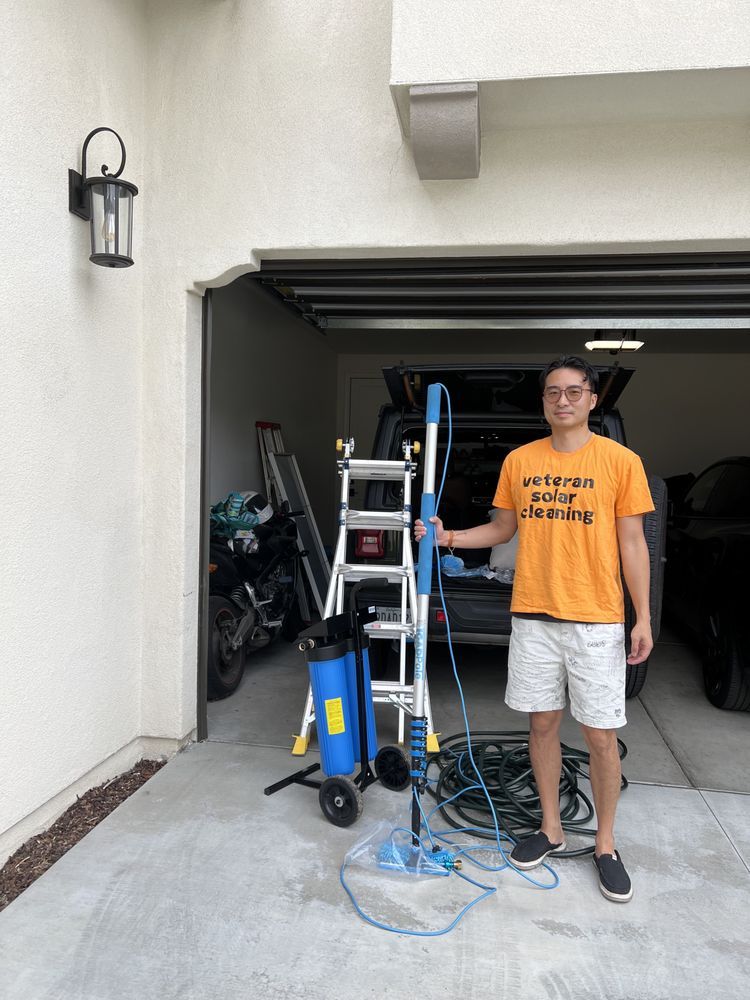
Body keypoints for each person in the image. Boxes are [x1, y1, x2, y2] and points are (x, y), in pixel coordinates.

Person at [414, 355, 654, 903]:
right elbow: (502, 528)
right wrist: (447, 538)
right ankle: (550, 828)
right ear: (543, 402)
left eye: (573, 391)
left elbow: (633, 543)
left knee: (599, 736)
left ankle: (607, 846)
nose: (562, 401)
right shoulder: (520, 461)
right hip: (534, 617)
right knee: (542, 727)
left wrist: (642, 617)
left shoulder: (621, 462)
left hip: (595, 620)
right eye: (552, 393)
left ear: (593, 399)